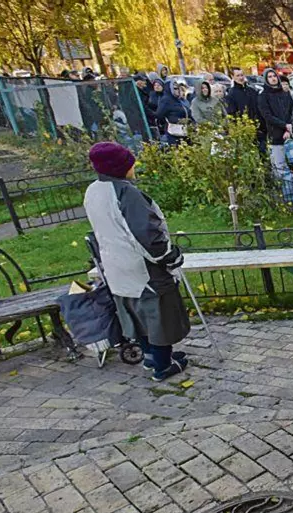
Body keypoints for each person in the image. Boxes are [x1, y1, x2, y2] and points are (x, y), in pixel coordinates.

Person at [83, 142, 190, 381]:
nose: (134, 167)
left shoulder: (93, 190)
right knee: (158, 314)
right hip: (141, 266)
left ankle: (152, 357)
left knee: (136, 312)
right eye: (130, 163)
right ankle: (162, 366)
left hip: (115, 265)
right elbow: (146, 234)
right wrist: (169, 256)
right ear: (120, 167)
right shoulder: (126, 193)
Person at [259, 69, 293, 179]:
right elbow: (267, 116)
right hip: (275, 134)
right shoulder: (263, 96)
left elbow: (291, 112)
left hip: (289, 134)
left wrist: (288, 128)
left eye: (274, 76)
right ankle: (282, 187)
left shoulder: (285, 93)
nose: (273, 78)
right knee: (280, 166)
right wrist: (284, 126)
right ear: (266, 79)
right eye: (269, 77)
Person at [226, 67, 265, 151]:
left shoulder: (252, 91)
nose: (241, 77)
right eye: (238, 75)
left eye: (242, 75)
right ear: (232, 77)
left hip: (259, 129)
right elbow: (232, 114)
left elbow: (259, 108)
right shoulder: (231, 94)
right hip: (244, 130)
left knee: (263, 153)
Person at [156, 78, 193, 145]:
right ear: (170, 89)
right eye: (175, 88)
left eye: (178, 88)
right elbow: (159, 115)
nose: (178, 90)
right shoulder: (166, 100)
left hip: (185, 131)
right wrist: (172, 120)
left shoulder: (179, 100)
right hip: (174, 134)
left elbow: (187, 112)